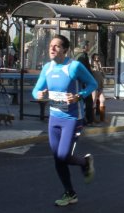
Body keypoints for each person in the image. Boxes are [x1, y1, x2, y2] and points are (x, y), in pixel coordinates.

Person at [32, 35, 97, 207]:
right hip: (54, 118)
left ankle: (85, 162)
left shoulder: (74, 66)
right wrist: (38, 94)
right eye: (51, 46)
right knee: (57, 158)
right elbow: (36, 90)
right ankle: (70, 193)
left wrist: (78, 96)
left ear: (65, 50)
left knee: (62, 155)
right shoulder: (47, 68)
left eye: (57, 46)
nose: (52, 49)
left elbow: (92, 84)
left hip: (72, 119)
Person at [76, 40, 95, 126]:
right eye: (88, 45)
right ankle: (89, 120)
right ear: (85, 47)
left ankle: (84, 119)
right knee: (88, 101)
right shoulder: (83, 56)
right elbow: (85, 70)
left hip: (80, 82)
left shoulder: (78, 55)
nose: (89, 47)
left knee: (82, 101)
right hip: (84, 82)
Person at [90, 53, 107, 123]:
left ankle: (102, 118)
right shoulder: (91, 67)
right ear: (93, 59)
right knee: (93, 102)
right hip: (94, 87)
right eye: (95, 58)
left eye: (98, 58)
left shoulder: (99, 67)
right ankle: (93, 119)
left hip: (100, 87)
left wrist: (101, 67)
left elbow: (104, 76)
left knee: (102, 100)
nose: (97, 59)